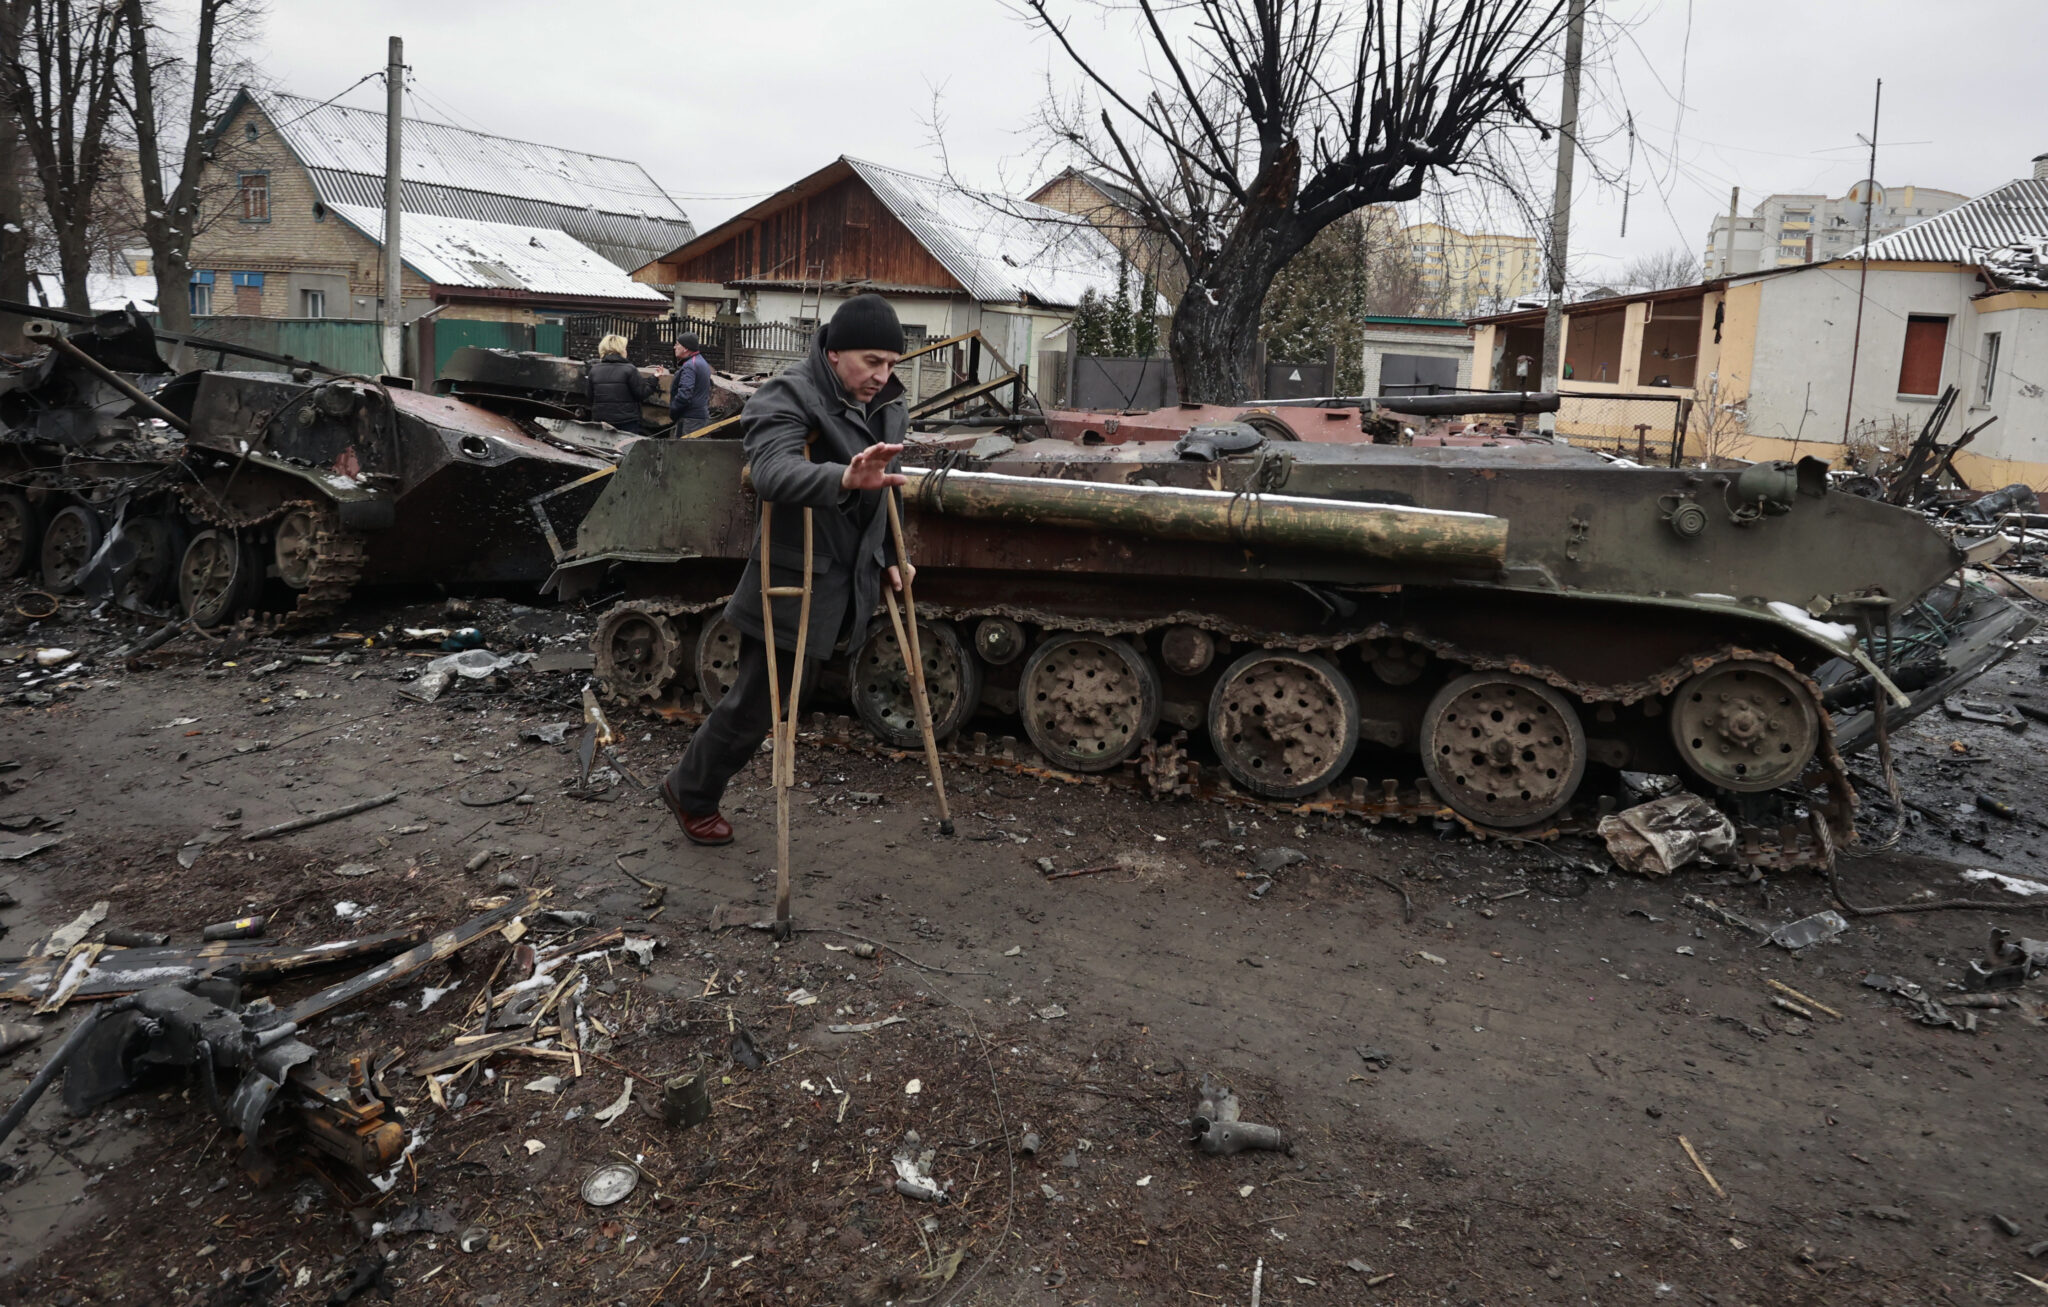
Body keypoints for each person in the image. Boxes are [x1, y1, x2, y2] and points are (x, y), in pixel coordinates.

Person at [660, 294, 910, 845]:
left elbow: (888, 487)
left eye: (892, 363)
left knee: (788, 697)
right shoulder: (788, 393)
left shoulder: (889, 403)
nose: (883, 375)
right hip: (795, 579)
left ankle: (692, 786)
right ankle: (689, 791)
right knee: (758, 703)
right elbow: (772, 471)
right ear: (835, 351)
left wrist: (893, 556)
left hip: (852, 576)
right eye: (872, 361)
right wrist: (842, 478)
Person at [586, 333, 659, 434]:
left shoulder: (594, 370)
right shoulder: (630, 369)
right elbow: (641, 394)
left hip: (602, 420)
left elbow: (590, 397)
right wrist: (654, 378)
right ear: (620, 350)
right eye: (625, 348)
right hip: (626, 421)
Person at [669, 332, 713, 436]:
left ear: (685, 348)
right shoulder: (701, 362)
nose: (674, 347)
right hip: (699, 417)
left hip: (690, 420)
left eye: (677, 344)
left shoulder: (690, 366)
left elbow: (685, 394)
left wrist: (673, 411)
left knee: (684, 446)